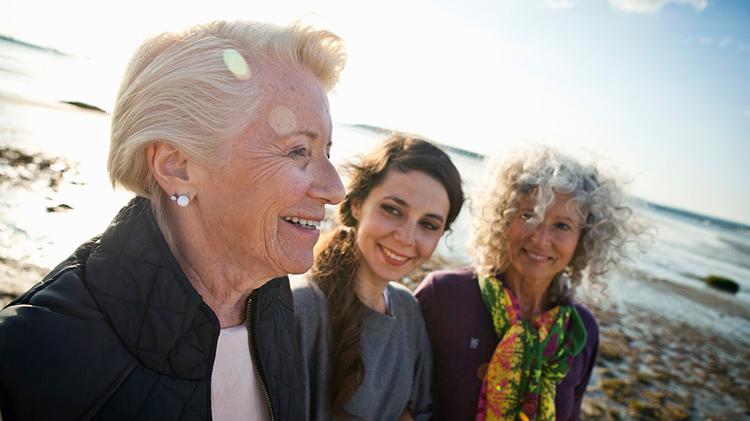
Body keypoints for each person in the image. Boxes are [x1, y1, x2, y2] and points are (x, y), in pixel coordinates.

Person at [0, 20, 346, 421]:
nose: (336, 189)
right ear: (177, 166)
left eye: (327, 151)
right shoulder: (32, 355)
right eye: (298, 151)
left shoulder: (274, 306)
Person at [416, 147, 642, 420]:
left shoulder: (581, 331)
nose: (540, 238)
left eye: (562, 226)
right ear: (503, 217)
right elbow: (396, 398)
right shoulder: (445, 295)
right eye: (527, 216)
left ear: (584, 239)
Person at [292, 134, 465, 420]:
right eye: (393, 210)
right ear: (358, 203)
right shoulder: (303, 305)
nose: (407, 237)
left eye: (429, 224)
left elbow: (420, 410)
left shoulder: (407, 309)